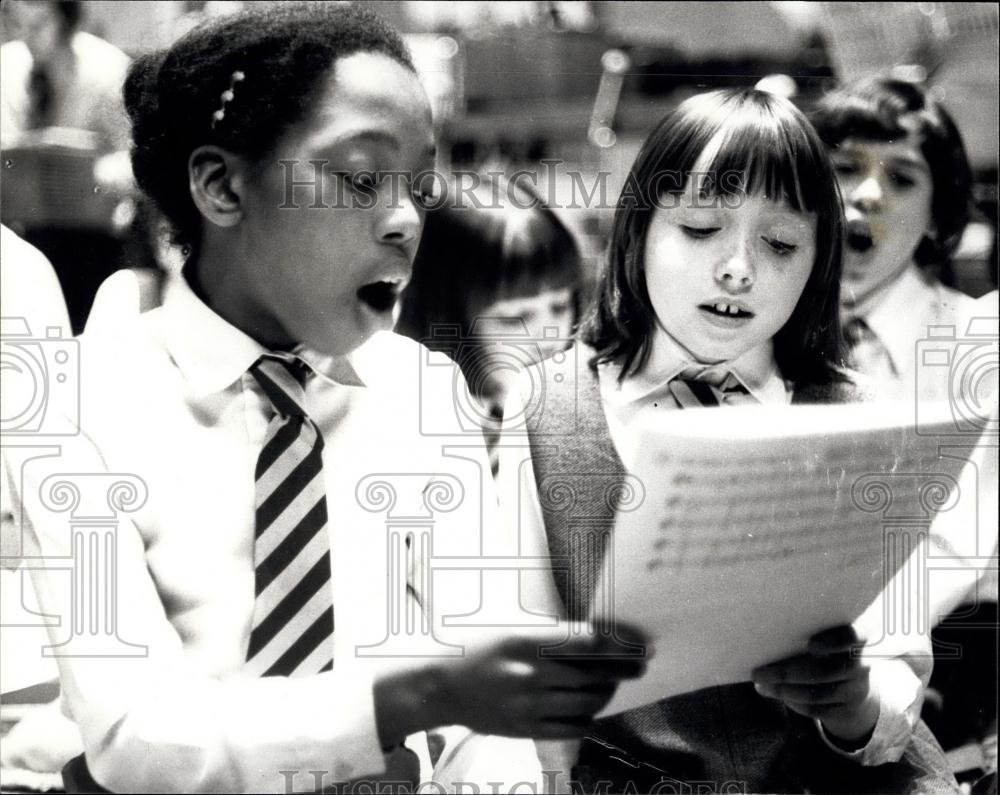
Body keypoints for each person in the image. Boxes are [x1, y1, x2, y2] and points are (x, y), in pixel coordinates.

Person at [4, 5, 644, 792]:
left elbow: (493, 705)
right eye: (361, 178)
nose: (407, 217)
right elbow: (138, 738)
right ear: (221, 185)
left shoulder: (423, 389)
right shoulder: (80, 403)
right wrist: (414, 696)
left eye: (416, 183)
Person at [498, 88, 958, 792]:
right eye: (701, 227)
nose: (738, 268)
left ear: (817, 261)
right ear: (639, 228)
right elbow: (511, 657)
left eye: (779, 243)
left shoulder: (858, 412)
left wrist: (855, 703)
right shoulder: (546, 408)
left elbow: (899, 657)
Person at [813, 77, 998, 787]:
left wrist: (846, 667)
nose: (865, 194)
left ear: (938, 212)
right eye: (845, 166)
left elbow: (949, 545)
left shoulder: (977, 337)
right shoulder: (763, 332)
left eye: (901, 176)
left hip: (944, 663)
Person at [397, 174, 583, 473]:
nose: (547, 334)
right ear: (445, 317)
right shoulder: (420, 434)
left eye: (560, 306)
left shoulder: (538, 411)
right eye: (514, 318)